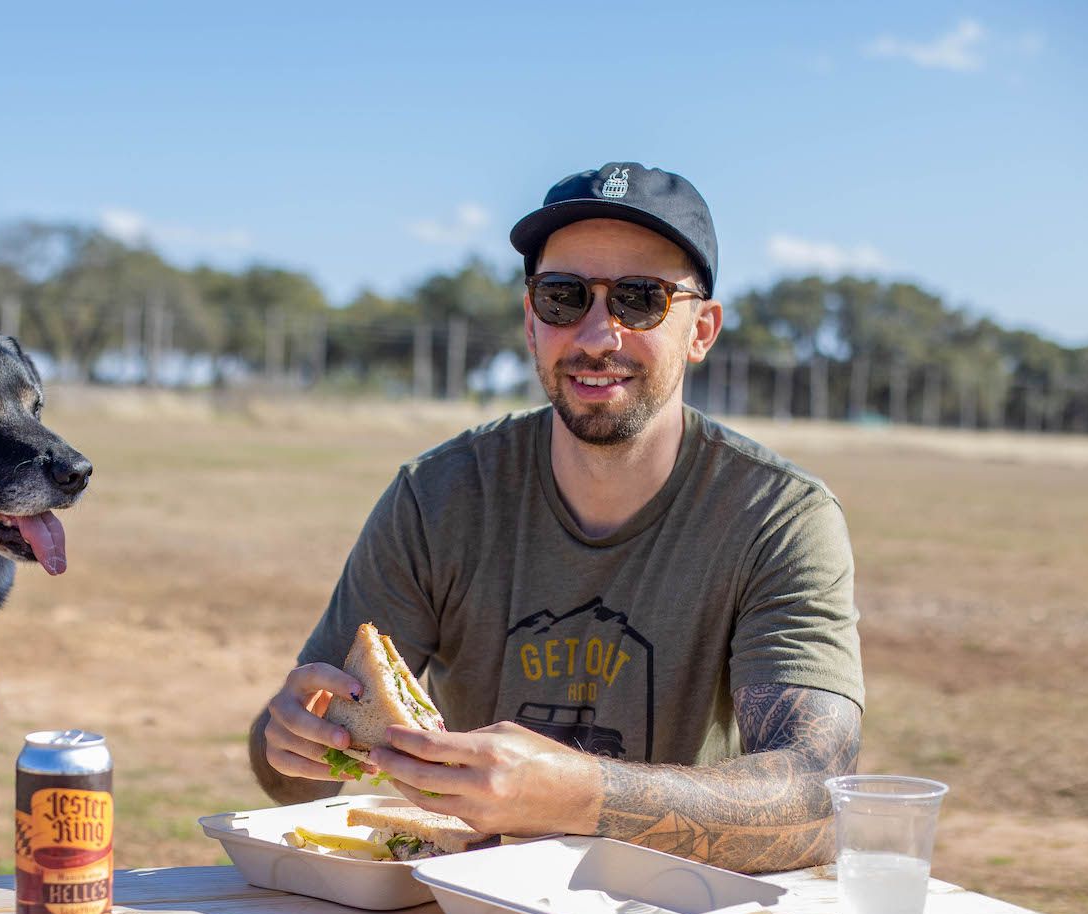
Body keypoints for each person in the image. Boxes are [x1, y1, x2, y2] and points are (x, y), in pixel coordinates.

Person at [249, 162, 864, 875]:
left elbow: (821, 800)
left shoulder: (779, 518)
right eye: (564, 296)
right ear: (531, 320)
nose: (598, 335)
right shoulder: (439, 495)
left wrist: (575, 793)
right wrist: (293, 743)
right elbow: (291, 777)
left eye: (641, 299)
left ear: (703, 330)